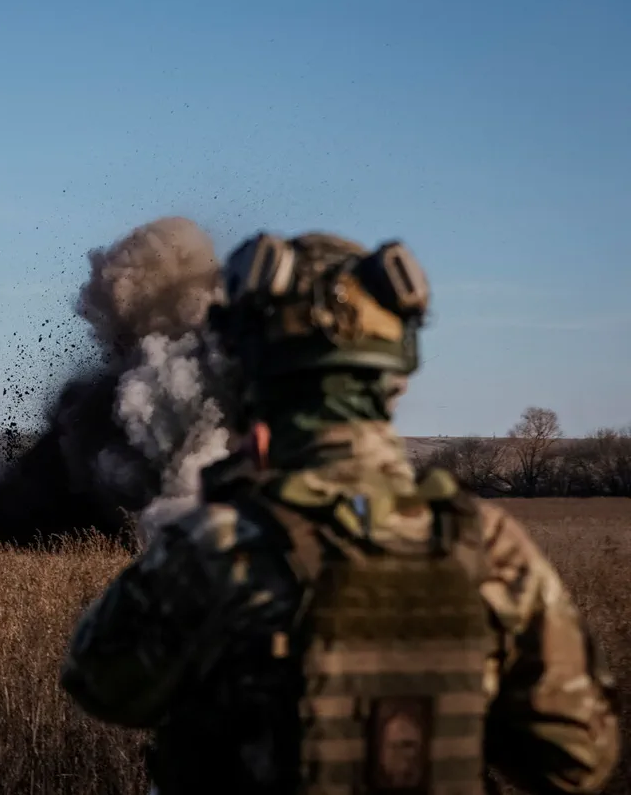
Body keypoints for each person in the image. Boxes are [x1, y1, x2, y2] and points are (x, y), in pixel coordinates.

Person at [59, 231, 620, 795]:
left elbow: (99, 683)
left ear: (250, 374)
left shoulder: (218, 546)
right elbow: (578, 758)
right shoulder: (487, 547)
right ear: (395, 377)